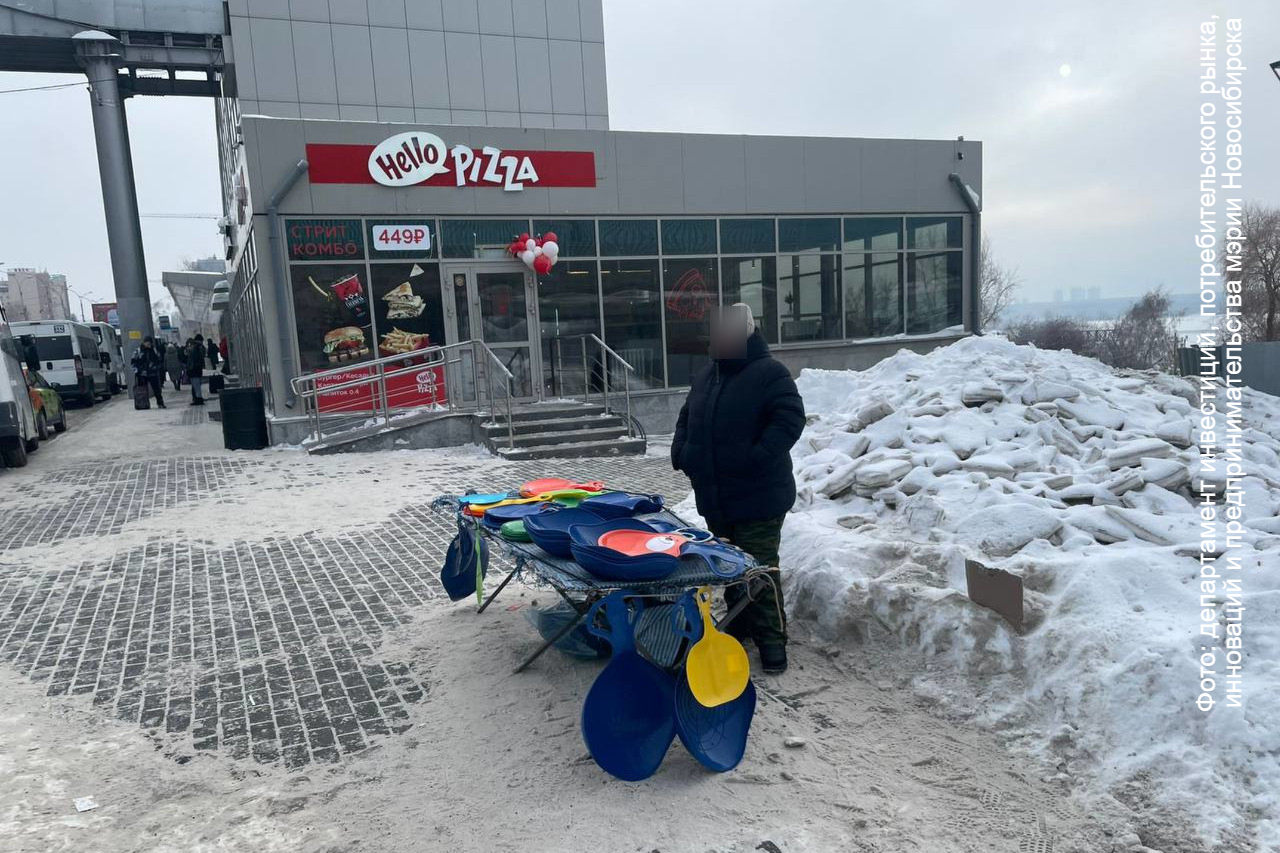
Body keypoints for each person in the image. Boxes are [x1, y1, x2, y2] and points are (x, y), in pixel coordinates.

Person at [671, 304, 805, 674]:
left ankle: (772, 641)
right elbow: (686, 417)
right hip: (717, 495)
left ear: (745, 334)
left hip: (758, 494)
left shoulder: (769, 373)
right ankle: (741, 624)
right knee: (728, 566)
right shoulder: (707, 376)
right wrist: (681, 452)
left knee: (758, 568)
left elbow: (790, 418)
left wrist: (757, 456)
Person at [131, 336, 166, 409]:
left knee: (157, 390)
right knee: (142, 390)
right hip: (142, 374)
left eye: (149, 343)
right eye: (147, 343)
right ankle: (143, 404)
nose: (148, 344)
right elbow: (133, 362)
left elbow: (159, 360)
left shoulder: (154, 350)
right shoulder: (138, 351)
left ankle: (160, 403)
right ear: (144, 342)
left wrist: (156, 367)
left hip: (153, 373)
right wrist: (137, 371)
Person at [187, 334, 206, 405]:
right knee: (196, 385)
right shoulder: (195, 348)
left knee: (196, 385)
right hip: (194, 370)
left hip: (193, 370)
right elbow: (195, 360)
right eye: (201, 341)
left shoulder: (194, 347)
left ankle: (197, 399)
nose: (202, 342)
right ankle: (198, 399)